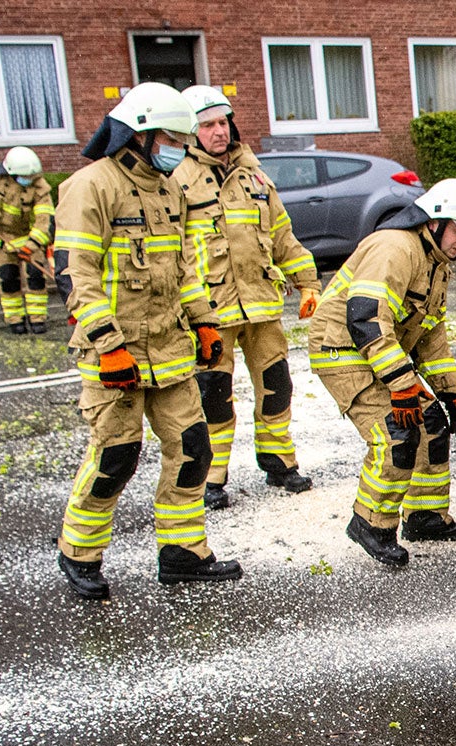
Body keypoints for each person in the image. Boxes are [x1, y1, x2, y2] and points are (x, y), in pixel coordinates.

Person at [53, 82, 242, 600]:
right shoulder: (91, 186)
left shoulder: (168, 190)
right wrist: (106, 342)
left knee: (193, 449)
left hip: (169, 349)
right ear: (137, 135)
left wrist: (204, 320)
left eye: (184, 138)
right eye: (171, 137)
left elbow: (184, 270)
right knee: (116, 457)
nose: (179, 147)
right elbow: (76, 273)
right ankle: (79, 552)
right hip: (115, 352)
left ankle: (182, 553)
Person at [304, 178, 456, 567]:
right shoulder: (395, 248)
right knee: (395, 433)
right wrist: (403, 386)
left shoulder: (436, 264)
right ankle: (371, 522)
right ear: (434, 221)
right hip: (342, 349)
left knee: (433, 421)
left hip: (375, 351)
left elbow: (430, 337)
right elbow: (366, 319)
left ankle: (424, 516)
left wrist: (451, 392)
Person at [173, 85, 320, 510]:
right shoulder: (176, 181)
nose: (219, 132)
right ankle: (211, 478)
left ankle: (278, 463)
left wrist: (307, 280)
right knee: (212, 395)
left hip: (261, 306)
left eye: (223, 122)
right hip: (209, 312)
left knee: (277, 387)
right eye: (207, 125)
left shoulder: (254, 177)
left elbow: (281, 235)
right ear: (189, 131)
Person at [0, 146, 55, 333]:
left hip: (31, 238)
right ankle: (15, 320)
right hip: (2, 238)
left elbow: (44, 221)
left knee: (35, 278)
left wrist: (31, 246)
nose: (28, 181)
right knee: (8, 279)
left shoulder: (40, 187)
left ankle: (37, 320)